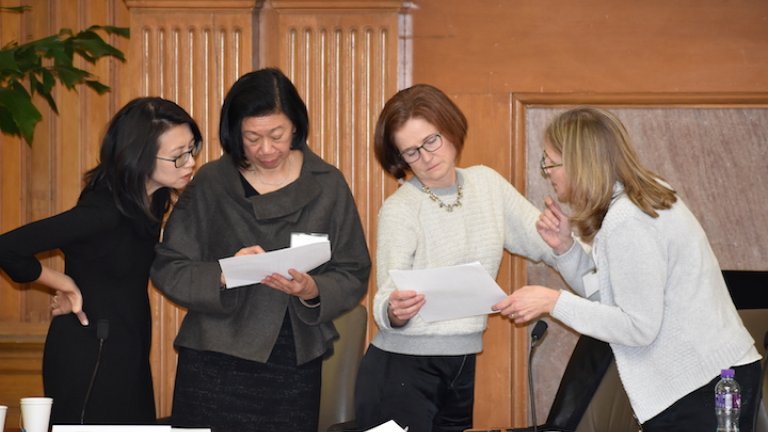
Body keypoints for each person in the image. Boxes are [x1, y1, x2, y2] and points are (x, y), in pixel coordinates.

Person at [495, 106, 762, 432]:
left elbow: (637, 327)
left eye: (550, 160)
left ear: (580, 163)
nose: (547, 171)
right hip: (708, 378)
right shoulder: (636, 202)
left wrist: (554, 302)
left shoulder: (629, 220)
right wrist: (566, 249)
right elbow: (608, 300)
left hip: (702, 386)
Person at [149, 68, 371, 432]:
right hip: (214, 357)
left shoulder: (327, 184)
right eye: (252, 137)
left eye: (277, 135)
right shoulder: (211, 183)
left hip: (293, 360)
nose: (266, 149)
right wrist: (222, 273)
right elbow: (169, 266)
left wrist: (313, 290)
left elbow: (353, 269)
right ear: (234, 133)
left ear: (296, 127)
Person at [353, 84, 560, 432]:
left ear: (449, 127)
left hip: (460, 365)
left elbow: (546, 241)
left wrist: (583, 251)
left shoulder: (487, 185)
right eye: (411, 153)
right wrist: (393, 309)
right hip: (400, 369)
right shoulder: (399, 209)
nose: (426, 157)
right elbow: (385, 297)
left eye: (431, 141)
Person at [0, 97, 203, 424]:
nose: (189, 162)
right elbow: (7, 247)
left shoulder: (152, 199)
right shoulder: (103, 212)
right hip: (90, 351)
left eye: (192, 149)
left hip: (127, 344)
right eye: (177, 156)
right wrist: (61, 282)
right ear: (139, 157)